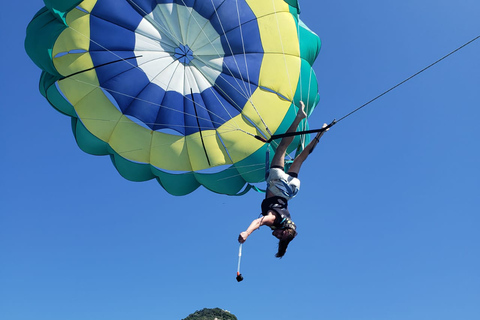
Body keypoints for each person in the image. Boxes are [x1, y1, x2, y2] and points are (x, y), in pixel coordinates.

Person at [238, 101, 329, 258]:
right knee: (282, 148)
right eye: (280, 235)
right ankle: (299, 117)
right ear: (282, 230)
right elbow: (258, 222)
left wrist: (282, 249)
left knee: (300, 159)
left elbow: (285, 239)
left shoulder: (287, 223)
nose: (276, 236)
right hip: (278, 185)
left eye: (279, 238)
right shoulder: (273, 220)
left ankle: (320, 134)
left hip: (291, 190)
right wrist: (247, 233)